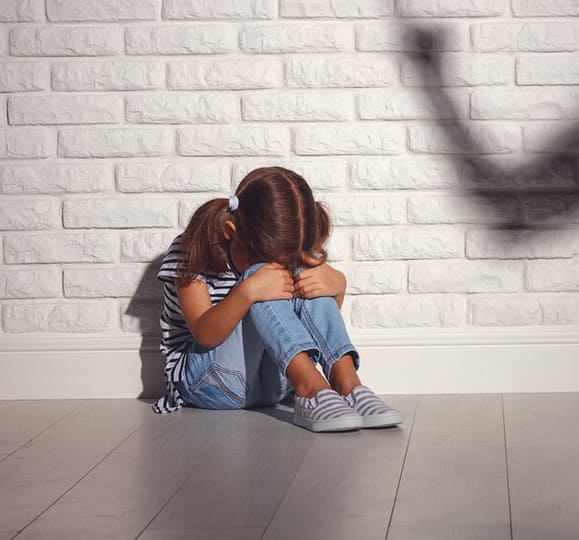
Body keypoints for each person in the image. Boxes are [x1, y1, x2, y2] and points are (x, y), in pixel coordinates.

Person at [152, 165, 401, 432]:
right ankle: (312, 389)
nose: (276, 267)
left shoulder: (292, 248)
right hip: (208, 383)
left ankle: (348, 386)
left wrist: (337, 287)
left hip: (278, 384)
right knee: (261, 277)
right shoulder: (193, 248)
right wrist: (247, 290)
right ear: (230, 231)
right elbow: (205, 335)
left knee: (305, 274)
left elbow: (306, 326)